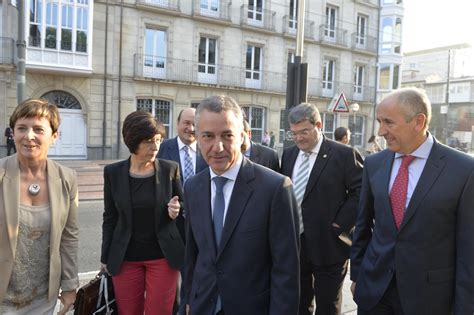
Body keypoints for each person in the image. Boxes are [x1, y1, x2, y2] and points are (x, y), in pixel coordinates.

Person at [350, 87, 474, 315]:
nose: (380, 131)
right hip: (374, 291)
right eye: (379, 121)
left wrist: (465, 307)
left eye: (388, 122)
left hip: (429, 298)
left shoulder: (464, 170)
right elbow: (363, 226)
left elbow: (469, 249)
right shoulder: (374, 164)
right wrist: (357, 275)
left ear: (418, 122)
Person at [184, 95, 300, 315]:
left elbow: (286, 271)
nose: (217, 147)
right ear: (197, 138)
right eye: (208, 136)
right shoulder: (193, 187)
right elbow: (193, 254)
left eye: (227, 135)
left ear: (244, 137)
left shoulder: (275, 188)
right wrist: (186, 302)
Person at [280, 103, 363, 315]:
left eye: (304, 132)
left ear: (319, 125)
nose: (298, 138)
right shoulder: (289, 155)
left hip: (329, 245)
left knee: (328, 305)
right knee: (299, 303)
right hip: (296, 244)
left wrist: (338, 225)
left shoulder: (344, 154)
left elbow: (361, 191)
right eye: (294, 133)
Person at [100, 111, 185, 315]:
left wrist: (176, 209)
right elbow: (110, 217)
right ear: (132, 140)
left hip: (163, 257)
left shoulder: (169, 169)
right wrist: (105, 257)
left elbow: (181, 204)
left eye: (158, 140)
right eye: (148, 141)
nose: (155, 147)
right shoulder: (113, 173)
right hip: (126, 259)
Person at [0, 99, 79, 314]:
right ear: (13, 133)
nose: (29, 136)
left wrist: (70, 285)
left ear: (54, 136)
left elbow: (69, 236)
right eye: (21, 128)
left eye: (38, 129)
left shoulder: (66, 178)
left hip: (44, 296)